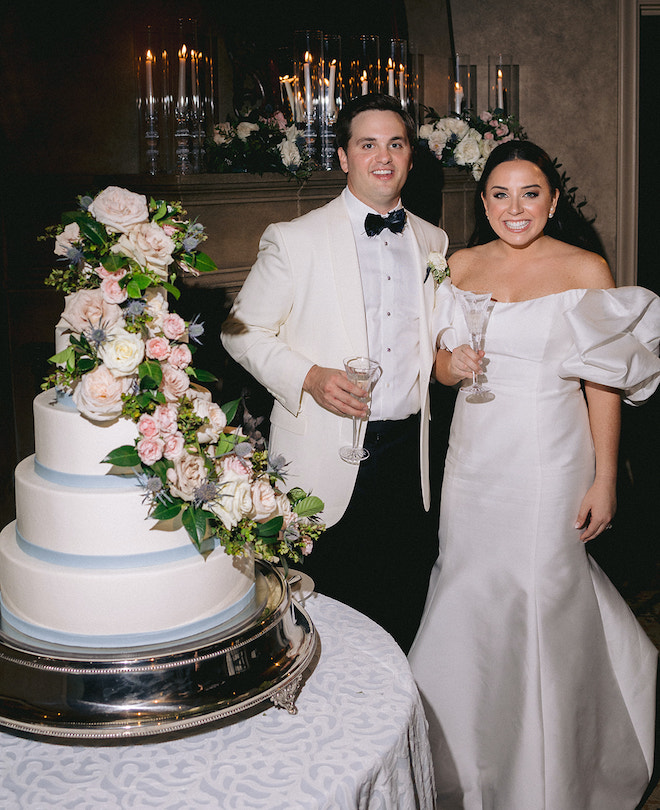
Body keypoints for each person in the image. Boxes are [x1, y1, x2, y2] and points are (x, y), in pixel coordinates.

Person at [408, 140, 660, 809]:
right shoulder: (455, 264)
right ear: (483, 200)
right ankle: (464, 762)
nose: (514, 208)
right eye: (499, 193)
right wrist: (446, 367)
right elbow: (430, 360)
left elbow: (603, 385)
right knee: (468, 590)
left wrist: (606, 477)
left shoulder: (585, 268)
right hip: (474, 461)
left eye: (529, 193)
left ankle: (548, 777)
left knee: (543, 594)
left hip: (551, 457)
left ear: (552, 201)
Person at [221, 94, 448, 652]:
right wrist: (309, 377)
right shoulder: (295, 239)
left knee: (402, 616)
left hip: (407, 461)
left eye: (395, 144)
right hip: (325, 458)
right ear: (344, 157)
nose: (383, 157)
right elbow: (239, 331)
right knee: (322, 626)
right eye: (367, 144)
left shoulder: (432, 242)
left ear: (410, 157)